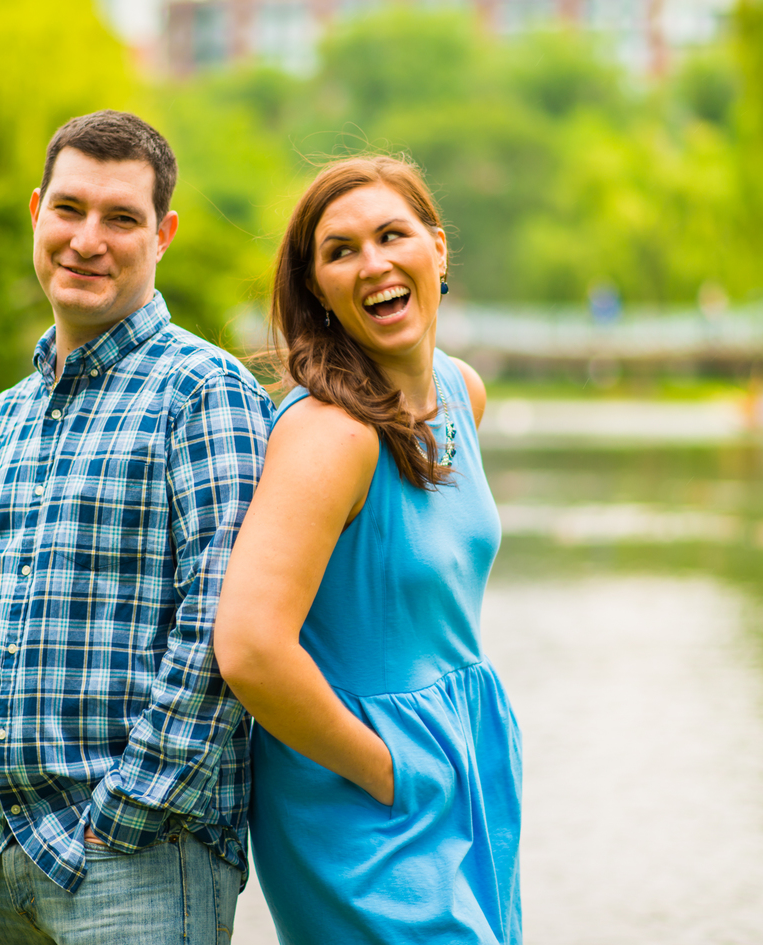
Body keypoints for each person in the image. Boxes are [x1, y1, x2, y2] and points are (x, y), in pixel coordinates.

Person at [0, 110, 273, 945]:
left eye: (121, 218)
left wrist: (125, 813)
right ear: (37, 211)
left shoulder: (205, 393)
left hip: (138, 861)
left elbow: (219, 630)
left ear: (164, 234)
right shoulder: (7, 413)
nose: (88, 239)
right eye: (70, 210)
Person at [214, 156, 523, 944]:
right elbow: (249, 647)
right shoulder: (329, 435)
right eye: (341, 250)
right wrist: (389, 768)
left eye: (393, 235)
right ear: (318, 288)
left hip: (461, 755)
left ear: (439, 250)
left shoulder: (461, 391)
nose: (374, 263)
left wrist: (447, 764)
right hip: (360, 788)